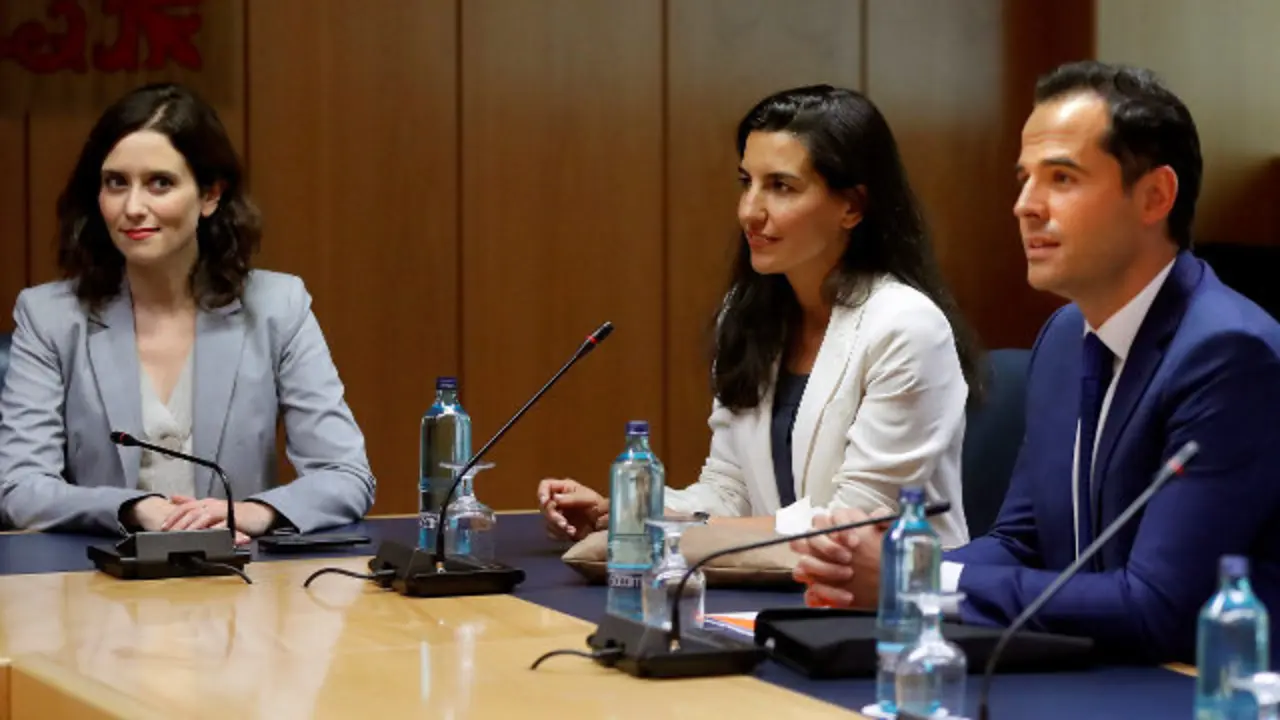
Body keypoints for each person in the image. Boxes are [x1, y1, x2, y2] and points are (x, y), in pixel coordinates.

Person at [791, 61, 1280, 663]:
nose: (1025, 205)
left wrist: (917, 585)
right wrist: (892, 568)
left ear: (1155, 196)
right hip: (1095, 670)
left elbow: (1159, 605)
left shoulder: (1228, 355)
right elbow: (1024, 543)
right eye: (1024, 179)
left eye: (1062, 179)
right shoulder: (1065, 335)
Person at [538, 85, 980, 547]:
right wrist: (630, 511)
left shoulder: (905, 327)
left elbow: (855, 521)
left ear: (851, 206)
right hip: (769, 590)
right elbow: (730, 489)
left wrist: (666, 529)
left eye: (781, 187)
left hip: (890, 602)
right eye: (746, 182)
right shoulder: (748, 315)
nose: (750, 211)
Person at [0, 83, 375, 540]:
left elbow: (346, 474)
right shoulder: (49, 317)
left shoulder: (279, 307)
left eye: (160, 183)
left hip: (240, 589)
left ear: (210, 194)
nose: (133, 207)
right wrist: (134, 508)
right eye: (116, 182)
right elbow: (19, 488)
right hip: (97, 587)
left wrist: (253, 512)